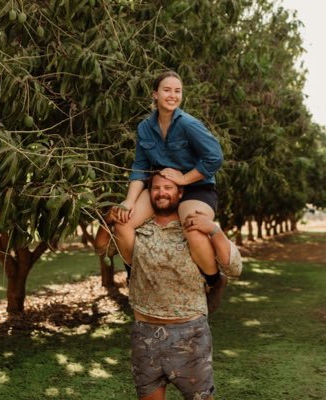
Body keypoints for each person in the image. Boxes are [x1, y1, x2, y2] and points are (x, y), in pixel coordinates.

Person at [95, 173, 242, 400]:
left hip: (190, 333)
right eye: (156, 188)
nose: (161, 192)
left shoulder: (195, 227)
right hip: (145, 333)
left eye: (168, 187)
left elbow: (233, 268)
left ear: (181, 192)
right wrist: (108, 220)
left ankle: (213, 285)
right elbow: (102, 250)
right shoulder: (137, 228)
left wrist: (213, 229)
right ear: (149, 193)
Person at [113, 70, 224, 298]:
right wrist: (129, 201)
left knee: (194, 227)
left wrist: (184, 179)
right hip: (161, 189)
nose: (172, 95)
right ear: (155, 94)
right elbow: (139, 167)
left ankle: (214, 282)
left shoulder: (189, 124)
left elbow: (215, 157)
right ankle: (136, 276)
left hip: (196, 188)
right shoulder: (144, 127)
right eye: (167, 90)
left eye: (177, 91)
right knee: (122, 223)